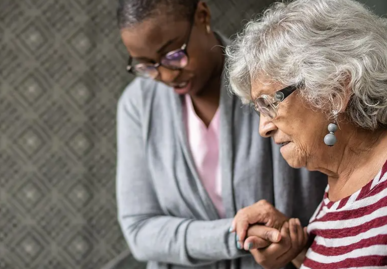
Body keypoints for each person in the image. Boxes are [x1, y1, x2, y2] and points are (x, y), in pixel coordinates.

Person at [225, 0, 387, 268]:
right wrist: (299, 251)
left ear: (335, 91)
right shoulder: (334, 195)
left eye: (270, 103)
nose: (263, 128)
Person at [115, 0, 327, 268]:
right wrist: (238, 236)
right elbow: (140, 229)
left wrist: (291, 244)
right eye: (147, 65)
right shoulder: (138, 104)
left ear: (202, 15)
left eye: (172, 55)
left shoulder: (273, 78)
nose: (166, 75)